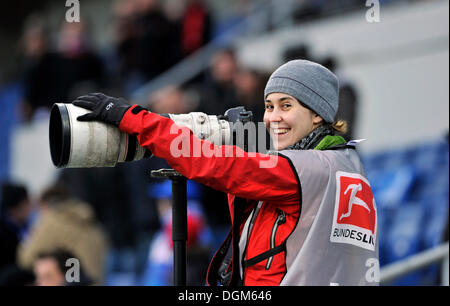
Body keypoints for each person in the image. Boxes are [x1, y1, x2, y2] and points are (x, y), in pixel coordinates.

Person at [70, 59, 379, 286]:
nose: (273, 118)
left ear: (316, 115)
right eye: (269, 106)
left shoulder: (306, 168)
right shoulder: (346, 163)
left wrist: (134, 119)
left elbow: (213, 165)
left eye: (286, 105)